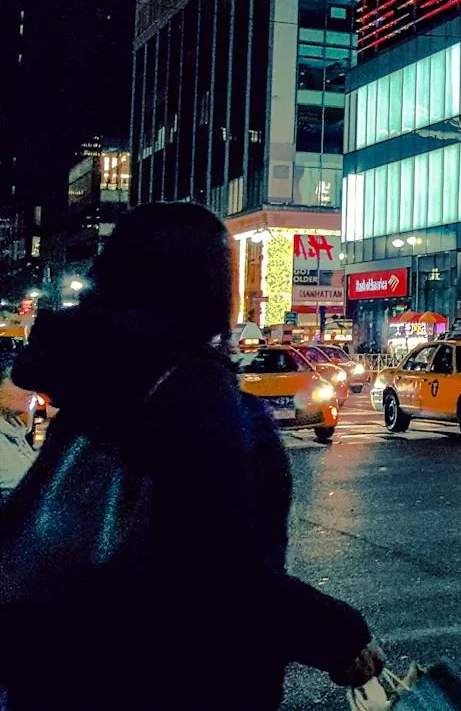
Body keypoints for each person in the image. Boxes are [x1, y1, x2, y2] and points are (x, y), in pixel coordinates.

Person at [0, 202, 382, 711]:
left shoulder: (97, 387)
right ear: (207, 286)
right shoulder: (197, 396)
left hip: (56, 677)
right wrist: (337, 634)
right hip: (181, 681)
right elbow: (216, 578)